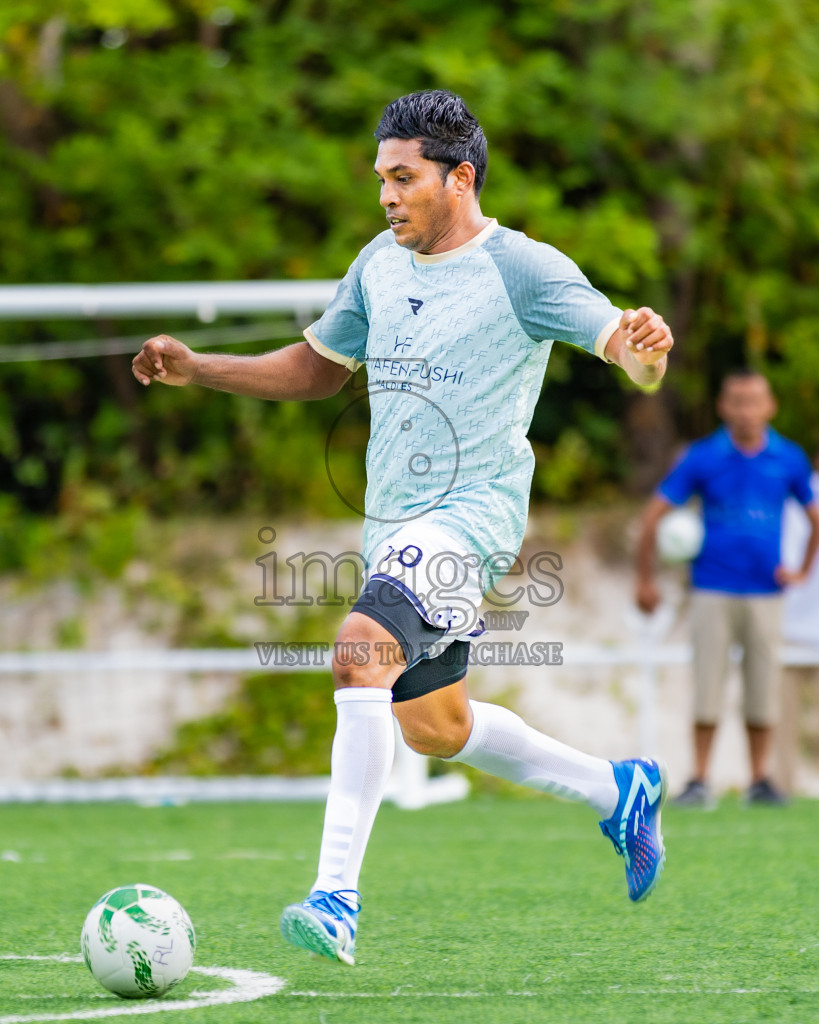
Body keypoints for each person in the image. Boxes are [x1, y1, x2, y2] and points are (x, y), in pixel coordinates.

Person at [133, 90, 675, 966]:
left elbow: (623, 350)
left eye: (402, 178)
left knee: (358, 654)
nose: (386, 197)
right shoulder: (378, 264)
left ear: (458, 179)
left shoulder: (525, 268)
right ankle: (616, 789)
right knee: (433, 724)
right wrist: (199, 369)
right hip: (392, 527)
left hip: (473, 521)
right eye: (380, 180)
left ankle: (335, 897)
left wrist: (642, 351)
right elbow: (316, 369)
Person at [635, 370, 819, 808]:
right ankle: (699, 779)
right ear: (723, 407)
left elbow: (814, 518)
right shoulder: (703, 456)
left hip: (764, 592)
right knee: (707, 685)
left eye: (754, 400)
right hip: (711, 588)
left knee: (762, 688)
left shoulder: (788, 458)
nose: (745, 410)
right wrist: (645, 579)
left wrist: (801, 571)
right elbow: (653, 516)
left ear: (769, 406)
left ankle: (760, 779)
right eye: (737, 401)